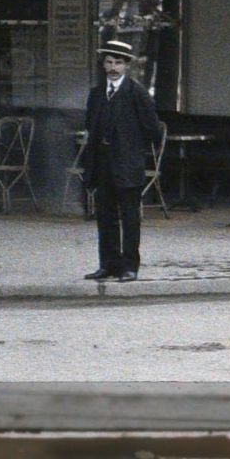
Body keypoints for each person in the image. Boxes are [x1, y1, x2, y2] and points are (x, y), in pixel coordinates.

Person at [82, 38, 162, 282]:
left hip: (127, 163)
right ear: (103, 64)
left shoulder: (137, 93)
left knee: (130, 218)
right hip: (102, 163)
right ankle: (108, 265)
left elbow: (153, 129)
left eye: (118, 62)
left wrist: (133, 149)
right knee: (105, 216)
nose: (113, 67)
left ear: (127, 65)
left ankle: (129, 267)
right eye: (109, 62)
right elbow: (91, 127)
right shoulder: (96, 94)